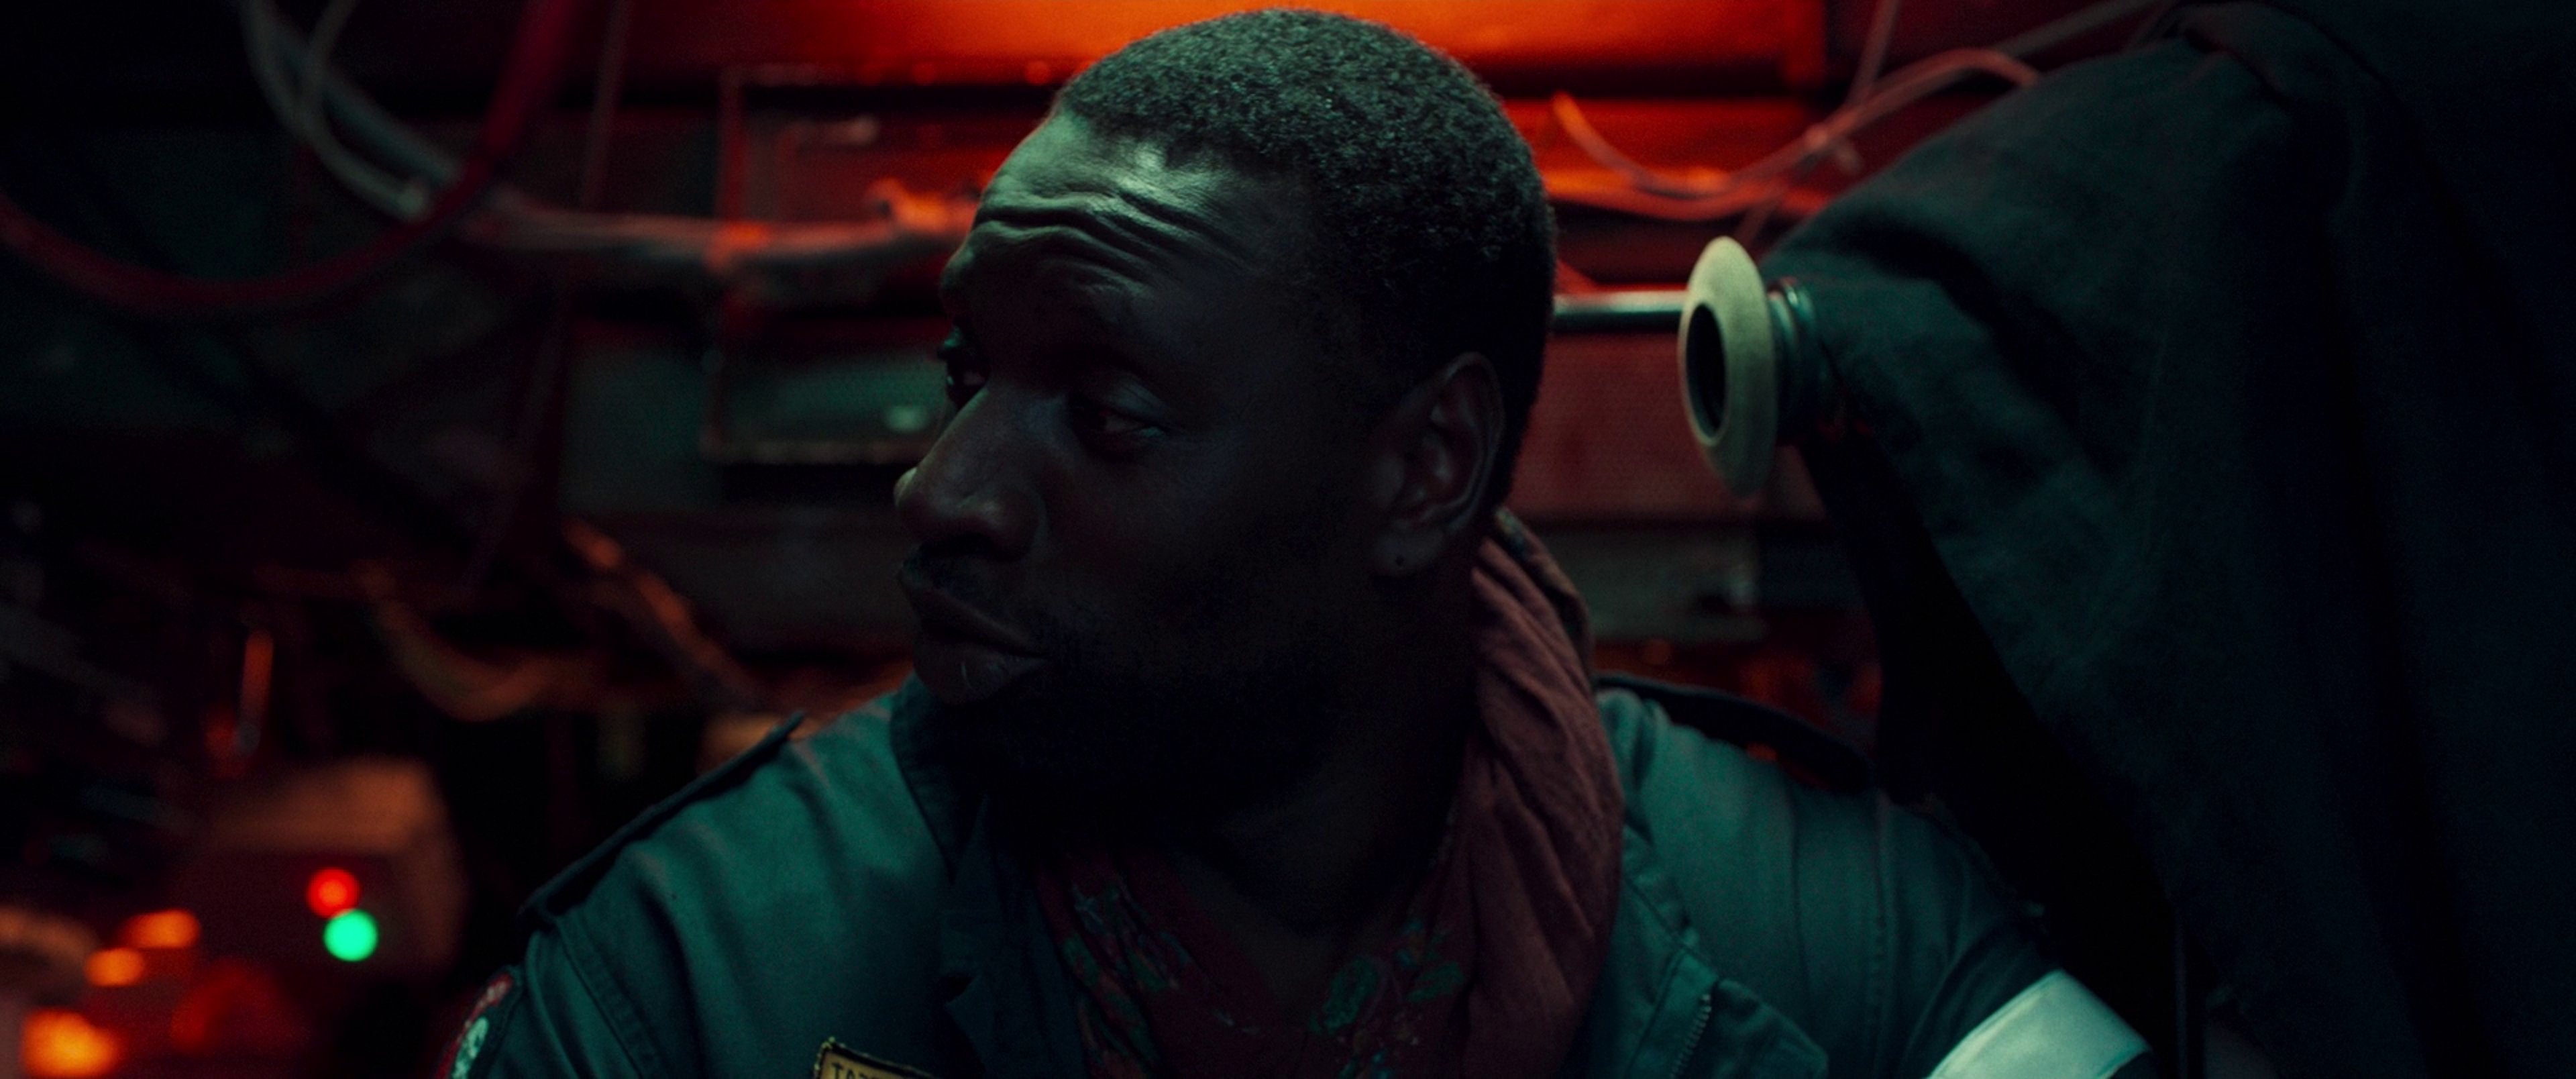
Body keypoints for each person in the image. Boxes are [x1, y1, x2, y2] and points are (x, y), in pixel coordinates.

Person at [439, 11, 2149, 1078]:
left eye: (1107, 413)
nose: (946, 490)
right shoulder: (698, 977)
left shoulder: (1840, 938)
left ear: (1424, 472)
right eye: (967, 379)